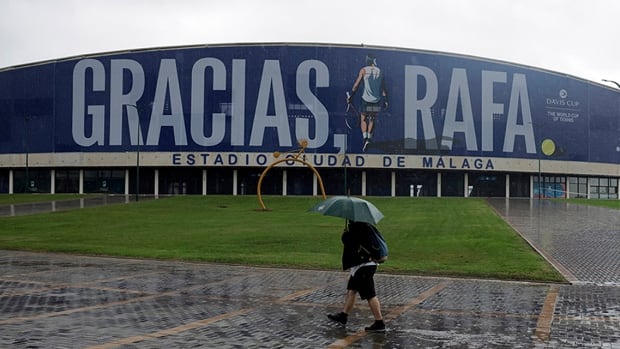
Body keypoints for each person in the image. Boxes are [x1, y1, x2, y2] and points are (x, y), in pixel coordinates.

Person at [327, 220, 385, 332]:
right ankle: (343, 316)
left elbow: (351, 243)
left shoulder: (358, 228)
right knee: (352, 290)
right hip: (362, 266)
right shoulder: (365, 226)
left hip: (364, 266)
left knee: (370, 295)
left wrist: (345, 235)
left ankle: (379, 323)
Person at [348, 54, 388, 152]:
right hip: (376, 100)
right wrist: (385, 100)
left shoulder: (363, 70)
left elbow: (356, 85)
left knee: (363, 118)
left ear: (367, 60)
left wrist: (351, 96)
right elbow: (383, 89)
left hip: (365, 100)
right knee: (372, 119)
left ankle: (365, 138)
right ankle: (369, 139)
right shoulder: (380, 72)